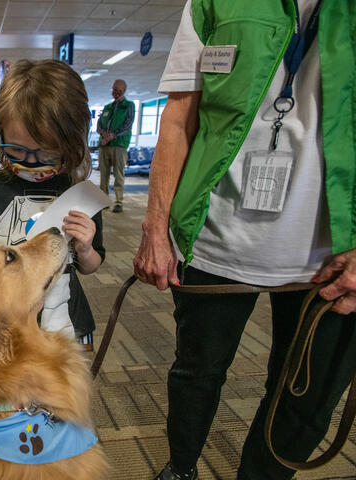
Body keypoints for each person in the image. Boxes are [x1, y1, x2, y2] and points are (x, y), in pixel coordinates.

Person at [132, 1, 356, 479]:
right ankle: (181, 468)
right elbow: (177, 117)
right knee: (196, 372)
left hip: (332, 256)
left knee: (301, 394)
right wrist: (155, 225)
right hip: (213, 235)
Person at [0, 59, 104, 349]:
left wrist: (85, 249)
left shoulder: (80, 193)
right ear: (0, 136)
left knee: (65, 388)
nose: (31, 162)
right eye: (17, 150)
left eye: (47, 152)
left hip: (67, 322)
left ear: (73, 143)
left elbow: (91, 265)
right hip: (6, 323)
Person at [97, 79, 135, 213]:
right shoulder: (107, 107)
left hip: (119, 145)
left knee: (118, 174)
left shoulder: (129, 106)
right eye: (114, 90)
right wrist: (103, 134)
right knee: (104, 174)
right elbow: (99, 124)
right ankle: (104, 201)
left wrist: (113, 135)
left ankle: (119, 201)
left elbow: (128, 125)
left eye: (118, 91)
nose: (116, 93)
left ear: (124, 91)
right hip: (104, 146)